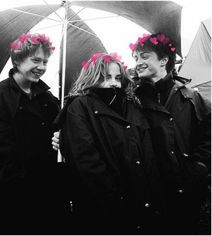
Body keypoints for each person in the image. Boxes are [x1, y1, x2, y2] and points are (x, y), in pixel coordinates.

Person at [54, 52, 165, 234]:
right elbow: (86, 160)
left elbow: (146, 151)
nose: (114, 83)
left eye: (118, 78)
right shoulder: (79, 107)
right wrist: (115, 198)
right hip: (106, 206)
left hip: (142, 200)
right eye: (106, 77)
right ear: (93, 77)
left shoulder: (131, 105)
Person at [0, 33, 65, 234]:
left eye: (45, 61)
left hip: (48, 184)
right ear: (17, 60)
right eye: (36, 60)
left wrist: (61, 138)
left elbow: (57, 131)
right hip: (14, 187)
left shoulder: (49, 98)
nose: (42, 67)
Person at [129, 33, 211, 234]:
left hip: (186, 195)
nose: (138, 62)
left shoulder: (192, 98)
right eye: (136, 58)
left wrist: (198, 169)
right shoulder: (131, 98)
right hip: (147, 194)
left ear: (164, 60)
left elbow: (209, 138)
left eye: (145, 56)